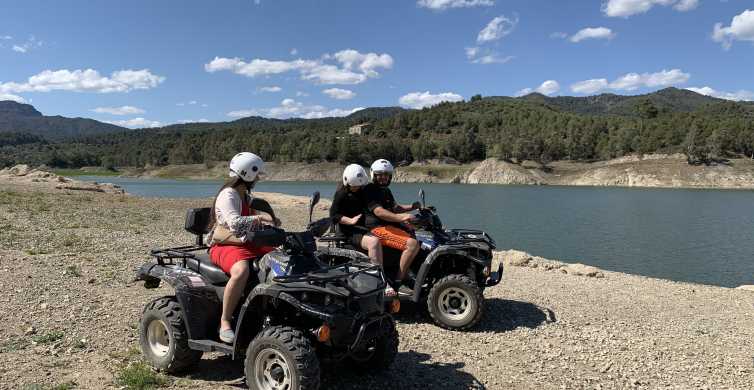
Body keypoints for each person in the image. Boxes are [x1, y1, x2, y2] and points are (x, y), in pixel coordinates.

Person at [208, 152, 280, 343]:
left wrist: (270, 224)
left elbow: (249, 224)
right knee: (241, 270)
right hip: (226, 244)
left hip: (246, 242)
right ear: (247, 173)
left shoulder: (244, 194)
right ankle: (225, 321)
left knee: (280, 260)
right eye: (256, 175)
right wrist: (259, 217)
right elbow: (235, 224)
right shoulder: (228, 194)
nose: (257, 179)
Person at [330, 164, 396, 297]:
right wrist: (350, 221)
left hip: (361, 228)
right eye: (354, 186)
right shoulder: (341, 194)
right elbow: (334, 215)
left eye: (358, 186)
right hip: (348, 231)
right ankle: (380, 279)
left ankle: (393, 273)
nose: (356, 188)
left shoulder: (362, 191)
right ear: (347, 182)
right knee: (374, 242)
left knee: (388, 237)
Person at [364, 159, 422, 293]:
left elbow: (395, 208)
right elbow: (379, 211)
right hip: (376, 228)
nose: (383, 177)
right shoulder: (370, 189)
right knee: (412, 244)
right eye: (380, 174)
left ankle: (406, 270)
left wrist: (413, 207)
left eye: (387, 174)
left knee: (413, 232)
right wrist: (401, 218)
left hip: (388, 226)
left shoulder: (386, 190)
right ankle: (399, 281)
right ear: (373, 174)